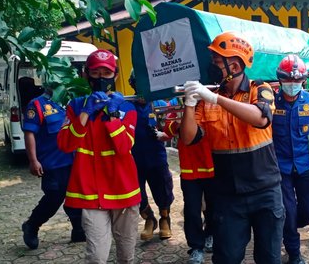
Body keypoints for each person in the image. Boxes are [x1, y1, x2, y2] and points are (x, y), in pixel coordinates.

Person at [180, 31, 285, 264]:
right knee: (226, 257)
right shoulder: (207, 100)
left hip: (265, 191)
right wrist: (189, 104)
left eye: (218, 62)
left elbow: (261, 118)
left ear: (235, 65)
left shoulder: (260, 89)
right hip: (228, 195)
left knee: (269, 258)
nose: (213, 67)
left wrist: (216, 99)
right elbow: (189, 138)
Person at [57, 49, 141, 263]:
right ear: (86, 74)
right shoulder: (75, 107)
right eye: (96, 73)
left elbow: (124, 147)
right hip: (91, 194)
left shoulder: (126, 107)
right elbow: (66, 145)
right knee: (96, 257)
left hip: (123, 190)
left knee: (126, 256)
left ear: (115, 75)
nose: (101, 78)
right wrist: (85, 112)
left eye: (106, 73)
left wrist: (112, 116)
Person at [272, 54, 309, 264]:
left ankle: (290, 227)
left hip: (305, 166)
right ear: (280, 80)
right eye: (288, 80)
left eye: (297, 80)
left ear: (303, 80)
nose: (292, 84)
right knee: (288, 210)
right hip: (280, 168)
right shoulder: (271, 102)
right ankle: (294, 253)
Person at [21, 88, 85, 250]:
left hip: (75, 160)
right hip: (53, 163)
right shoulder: (37, 104)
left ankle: (78, 230)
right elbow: (29, 133)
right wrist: (33, 160)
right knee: (54, 198)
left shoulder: (73, 100)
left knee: (77, 195)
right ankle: (31, 225)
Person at [128, 72, 174, 241]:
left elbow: (171, 129)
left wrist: (163, 129)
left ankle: (164, 220)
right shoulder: (127, 105)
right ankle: (150, 220)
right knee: (136, 194)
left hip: (157, 157)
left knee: (163, 190)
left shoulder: (160, 104)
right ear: (133, 85)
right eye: (138, 84)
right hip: (134, 159)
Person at [164, 115, 215, 264]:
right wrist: (180, 125)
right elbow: (168, 128)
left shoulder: (210, 102)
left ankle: (210, 233)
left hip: (212, 166)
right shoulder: (181, 106)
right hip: (189, 169)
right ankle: (196, 248)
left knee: (213, 207)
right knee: (192, 211)